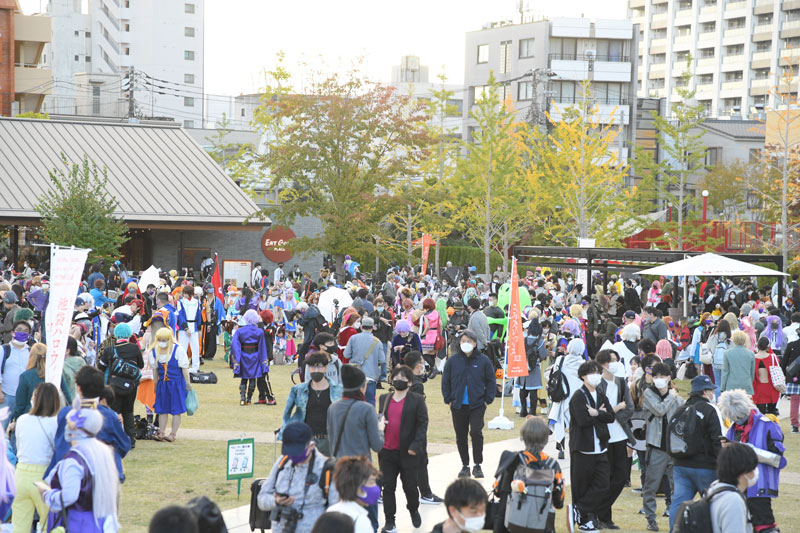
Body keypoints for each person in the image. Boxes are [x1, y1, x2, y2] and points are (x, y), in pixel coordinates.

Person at [39, 398, 120, 532]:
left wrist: (47, 494)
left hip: (78, 523)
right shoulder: (103, 452)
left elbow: (69, 496)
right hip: (101, 521)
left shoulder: (74, 459)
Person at [47, 366, 131, 482]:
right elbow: (124, 445)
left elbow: (59, 444)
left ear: (78, 388)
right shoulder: (109, 416)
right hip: (101, 474)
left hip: (69, 473)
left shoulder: (65, 413)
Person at [719, 390, 786, 533]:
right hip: (738, 485)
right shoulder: (733, 429)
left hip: (760, 484)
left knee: (765, 524)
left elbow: (779, 459)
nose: (736, 419)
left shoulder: (768, 425)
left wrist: (747, 450)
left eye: (738, 416)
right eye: (733, 417)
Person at [668, 374, 723, 532]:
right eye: (711, 390)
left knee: (678, 503)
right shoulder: (710, 409)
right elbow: (717, 440)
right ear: (705, 392)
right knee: (712, 503)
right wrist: (722, 465)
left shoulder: (681, 409)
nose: (713, 393)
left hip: (680, 464)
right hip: (706, 466)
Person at [490, 417, 564, 533]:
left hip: (511, 524)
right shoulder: (553, 465)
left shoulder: (512, 460)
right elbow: (559, 502)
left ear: (523, 437)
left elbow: (497, 491)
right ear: (545, 439)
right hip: (542, 526)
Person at [566, 360, 615, 533]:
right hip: (583, 448)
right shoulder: (578, 396)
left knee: (603, 484)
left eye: (598, 372)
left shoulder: (600, 394)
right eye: (592, 373)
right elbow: (582, 420)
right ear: (583, 376)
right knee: (582, 485)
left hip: (600, 447)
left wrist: (596, 413)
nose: (596, 376)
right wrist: (598, 415)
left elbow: (610, 416)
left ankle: (579, 509)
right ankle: (585, 521)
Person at [377, 365, 427, 532]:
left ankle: (413, 508)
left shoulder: (417, 400)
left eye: (403, 378)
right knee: (388, 487)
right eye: (396, 377)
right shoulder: (384, 398)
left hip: (408, 452)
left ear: (410, 382)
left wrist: (415, 446)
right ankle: (390, 521)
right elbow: (380, 419)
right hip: (387, 451)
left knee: (410, 487)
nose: (399, 380)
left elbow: (422, 425)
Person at [441, 329, 495, 479]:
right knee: (461, 435)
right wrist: (448, 399)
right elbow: (445, 381)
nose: (466, 344)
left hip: (477, 404)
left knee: (476, 432)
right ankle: (465, 465)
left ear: (475, 343)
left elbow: (491, 381)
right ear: (460, 342)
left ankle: (478, 464)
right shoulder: (453, 361)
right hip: (458, 404)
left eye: (469, 341)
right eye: (463, 341)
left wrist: (487, 400)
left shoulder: (483, 360)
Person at [257, 422, 330, 533]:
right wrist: (275, 501)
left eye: (297, 452)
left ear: (311, 446)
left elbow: (336, 512)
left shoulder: (326, 468)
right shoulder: (282, 462)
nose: (293, 457)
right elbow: (262, 499)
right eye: (290, 452)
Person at [595, 349, 635, 530]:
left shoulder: (621, 382)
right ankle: (604, 517)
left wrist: (613, 413)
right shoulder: (598, 384)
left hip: (619, 434)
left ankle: (600, 511)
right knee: (605, 478)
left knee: (620, 477)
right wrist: (615, 409)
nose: (615, 363)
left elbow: (629, 407)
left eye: (617, 360)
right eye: (612, 360)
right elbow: (598, 411)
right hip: (603, 436)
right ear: (603, 364)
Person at [642, 362, 683, 532]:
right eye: (656, 377)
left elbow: (683, 411)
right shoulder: (649, 393)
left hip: (674, 448)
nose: (659, 380)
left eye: (662, 377)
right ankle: (651, 519)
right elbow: (660, 410)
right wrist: (672, 396)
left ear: (669, 378)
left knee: (677, 488)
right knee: (651, 486)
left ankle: (675, 521)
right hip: (656, 447)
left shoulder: (676, 397)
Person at [12, 382, 58, 533]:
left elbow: (19, 445)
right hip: (43, 476)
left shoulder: (22, 420)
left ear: (35, 398)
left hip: (20, 474)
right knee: (50, 524)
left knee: (19, 526)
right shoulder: (55, 423)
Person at [281, 351, 342, 456]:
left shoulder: (338, 391)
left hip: (330, 440)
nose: (316, 370)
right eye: (312, 367)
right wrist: (285, 434)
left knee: (330, 470)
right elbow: (287, 414)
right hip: (306, 440)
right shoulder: (298, 390)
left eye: (319, 367)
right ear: (308, 368)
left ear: (326, 368)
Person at [98, 322, 144, 447]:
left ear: (116, 334)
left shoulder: (109, 350)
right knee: (128, 411)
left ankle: (114, 438)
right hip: (131, 385)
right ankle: (131, 439)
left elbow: (100, 367)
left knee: (113, 411)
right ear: (129, 334)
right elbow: (141, 365)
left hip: (114, 386)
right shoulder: (134, 348)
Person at [548, 338, 587, 461]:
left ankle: (561, 447)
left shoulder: (561, 359)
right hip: (577, 398)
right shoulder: (584, 364)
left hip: (562, 394)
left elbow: (554, 373)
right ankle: (575, 447)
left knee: (560, 420)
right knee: (575, 424)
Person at [149, 327, 191, 442]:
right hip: (163, 384)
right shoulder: (154, 351)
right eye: (161, 339)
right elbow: (155, 370)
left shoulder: (178, 350)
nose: (162, 342)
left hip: (177, 384)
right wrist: (155, 385)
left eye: (164, 339)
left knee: (176, 410)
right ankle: (161, 433)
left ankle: (173, 434)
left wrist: (188, 384)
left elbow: (184, 369)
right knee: (162, 409)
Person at [12, 343, 71, 421]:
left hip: (30, 416)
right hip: (53, 415)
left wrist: (16, 419)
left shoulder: (25, 376)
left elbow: (20, 404)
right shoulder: (56, 373)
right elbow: (67, 395)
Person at [708, 443, 758, 533]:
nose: (754, 474)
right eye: (752, 469)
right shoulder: (733, 501)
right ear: (743, 471)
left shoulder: (713, 489)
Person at [231, 309, 275, 406]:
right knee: (252, 379)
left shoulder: (239, 331)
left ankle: (243, 399)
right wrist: (263, 360)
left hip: (243, 356)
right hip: (255, 357)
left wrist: (236, 359)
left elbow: (234, 345)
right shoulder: (259, 332)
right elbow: (262, 347)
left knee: (244, 378)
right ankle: (249, 399)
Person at [326, 456, 379, 533]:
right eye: (371, 482)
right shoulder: (361, 521)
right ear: (358, 489)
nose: (375, 487)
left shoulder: (330, 511)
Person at [343, 317, 385, 406]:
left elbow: (346, 355)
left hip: (354, 374)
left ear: (361, 327)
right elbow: (382, 360)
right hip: (370, 376)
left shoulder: (353, 338)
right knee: (370, 402)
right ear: (373, 327)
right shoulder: (377, 342)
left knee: (353, 402)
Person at [0, 316, 33, 429]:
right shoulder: (4, 349)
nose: (22, 333)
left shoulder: (30, 351)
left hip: (24, 397)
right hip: (6, 395)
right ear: (13, 333)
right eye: (19, 330)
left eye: (26, 331)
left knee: (20, 429)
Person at [176, 285, 202, 373]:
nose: (184, 295)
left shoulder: (197, 302)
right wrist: (186, 328)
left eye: (186, 293)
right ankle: (182, 366)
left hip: (194, 326)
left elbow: (199, 315)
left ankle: (195, 367)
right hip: (184, 328)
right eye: (184, 293)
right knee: (182, 348)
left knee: (195, 348)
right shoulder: (181, 302)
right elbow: (181, 315)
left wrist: (199, 329)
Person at [753, 336, 781, 416]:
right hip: (772, 388)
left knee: (760, 416)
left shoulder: (753, 358)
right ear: (768, 346)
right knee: (772, 414)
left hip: (758, 389)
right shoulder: (773, 357)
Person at [721, 330, 756, 395]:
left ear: (733, 340)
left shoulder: (727, 353)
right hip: (746, 384)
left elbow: (725, 371)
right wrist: (749, 382)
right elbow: (752, 372)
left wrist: (723, 387)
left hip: (731, 385)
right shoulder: (751, 354)